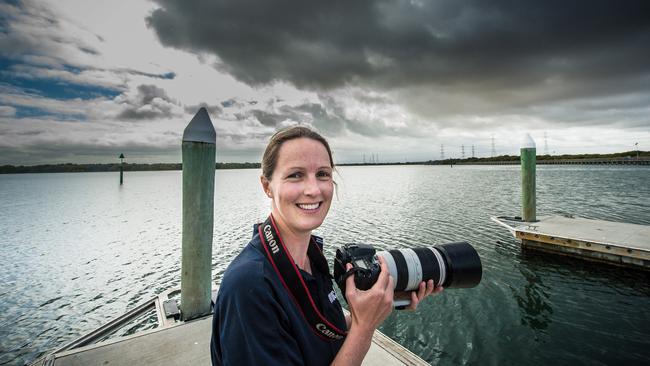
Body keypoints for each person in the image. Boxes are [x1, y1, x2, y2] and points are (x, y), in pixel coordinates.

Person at [210, 126, 442, 365]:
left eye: (322, 174)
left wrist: (379, 304)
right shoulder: (249, 286)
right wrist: (363, 329)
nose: (313, 189)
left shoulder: (312, 258)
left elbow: (319, 332)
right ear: (267, 186)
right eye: (295, 175)